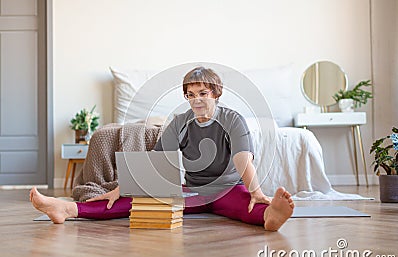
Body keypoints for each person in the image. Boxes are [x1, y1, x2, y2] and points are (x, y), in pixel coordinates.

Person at [30, 66, 294, 231]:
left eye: (202, 93)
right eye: (191, 95)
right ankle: (66, 209)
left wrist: (256, 191)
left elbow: (241, 158)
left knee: (246, 204)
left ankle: (270, 217)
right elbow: (154, 161)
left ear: (216, 93)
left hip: (227, 189)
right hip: (193, 192)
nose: (196, 100)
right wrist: (120, 190)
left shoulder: (232, 119)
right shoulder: (180, 122)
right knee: (137, 201)